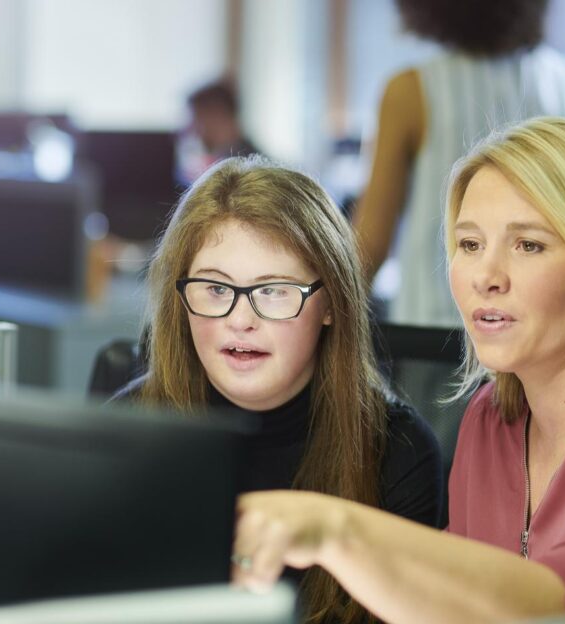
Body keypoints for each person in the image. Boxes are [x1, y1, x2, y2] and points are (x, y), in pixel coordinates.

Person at [232, 118, 565, 622]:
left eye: (528, 245)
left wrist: (336, 529)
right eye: (469, 244)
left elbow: (561, 611)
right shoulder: (492, 417)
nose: (485, 276)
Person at [117, 155, 443, 623]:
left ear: (330, 303)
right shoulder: (127, 429)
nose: (240, 320)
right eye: (214, 288)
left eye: (273, 291)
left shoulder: (398, 452)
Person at [353, 0, 565, 327]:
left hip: (437, 337)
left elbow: (370, 243)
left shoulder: (410, 92)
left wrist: (323, 316)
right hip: (549, 335)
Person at [176, 79, 263, 186]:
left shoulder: (245, 175)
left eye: (196, 120)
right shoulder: (238, 162)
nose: (190, 130)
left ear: (218, 116)